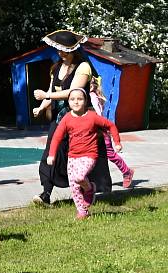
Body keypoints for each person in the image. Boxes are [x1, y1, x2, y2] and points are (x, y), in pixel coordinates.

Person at [31, 29, 112, 206]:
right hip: (59, 119)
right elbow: (52, 92)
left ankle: (87, 188)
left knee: (79, 155)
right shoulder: (56, 66)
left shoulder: (83, 66)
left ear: (72, 49)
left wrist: (46, 95)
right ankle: (46, 192)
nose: (59, 53)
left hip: (78, 118)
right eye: (58, 49)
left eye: (63, 50)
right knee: (50, 152)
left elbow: (73, 92)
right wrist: (41, 106)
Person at [47, 88, 122, 219]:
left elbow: (111, 125)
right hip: (72, 157)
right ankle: (82, 211)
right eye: (72, 99)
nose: (76, 102)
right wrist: (51, 154)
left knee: (79, 177)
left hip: (89, 155)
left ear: (86, 101)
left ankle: (89, 189)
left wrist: (117, 142)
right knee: (74, 186)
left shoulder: (92, 117)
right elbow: (56, 137)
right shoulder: (66, 119)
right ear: (68, 102)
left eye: (80, 99)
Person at [89, 77, 135, 188]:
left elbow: (99, 114)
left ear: (93, 86)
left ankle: (127, 171)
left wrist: (117, 142)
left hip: (100, 130)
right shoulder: (92, 96)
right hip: (95, 130)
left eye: (90, 84)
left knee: (110, 154)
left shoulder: (92, 96)